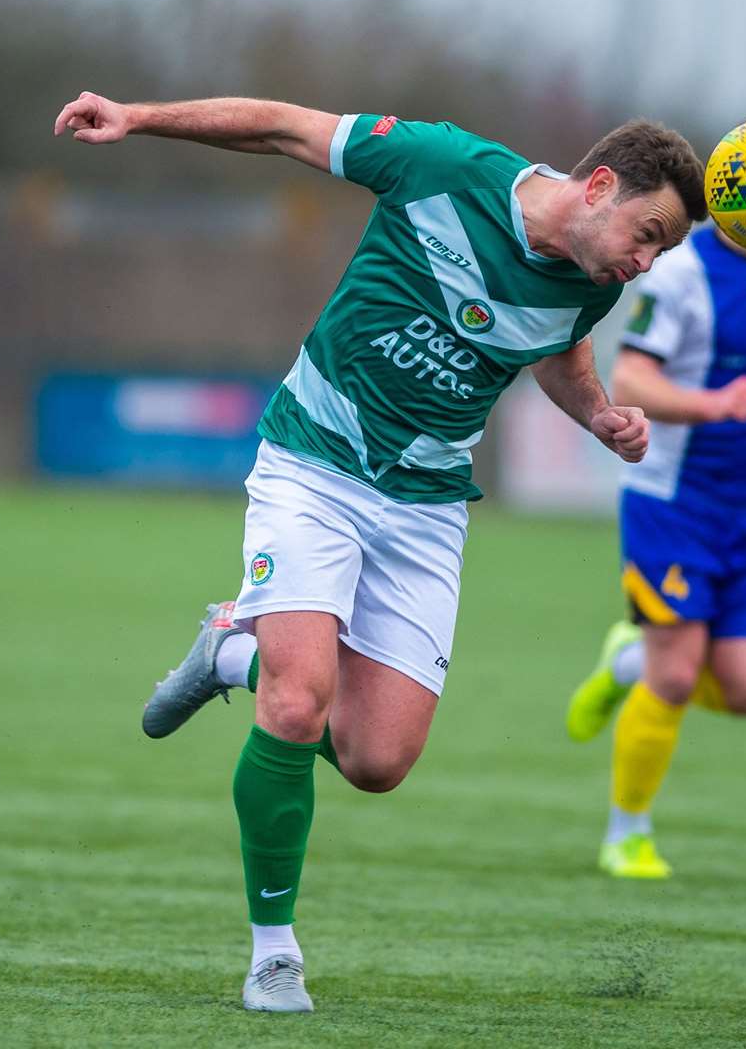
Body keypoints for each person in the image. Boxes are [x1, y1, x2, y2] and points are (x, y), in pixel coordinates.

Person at [53, 90, 706, 1012]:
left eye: (663, 250)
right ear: (599, 185)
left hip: (427, 507)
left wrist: (599, 415)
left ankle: (229, 648)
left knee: (377, 759)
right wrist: (138, 116)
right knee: (296, 703)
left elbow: (559, 349)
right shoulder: (440, 164)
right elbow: (286, 127)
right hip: (313, 462)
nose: (648, 261)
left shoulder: (592, 285)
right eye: (649, 232)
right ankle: (273, 951)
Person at [564, 222, 746, 879]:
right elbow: (632, 379)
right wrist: (715, 404)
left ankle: (626, 662)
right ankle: (626, 833)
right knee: (677, 672)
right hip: (670, 502)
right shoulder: (680, 273)